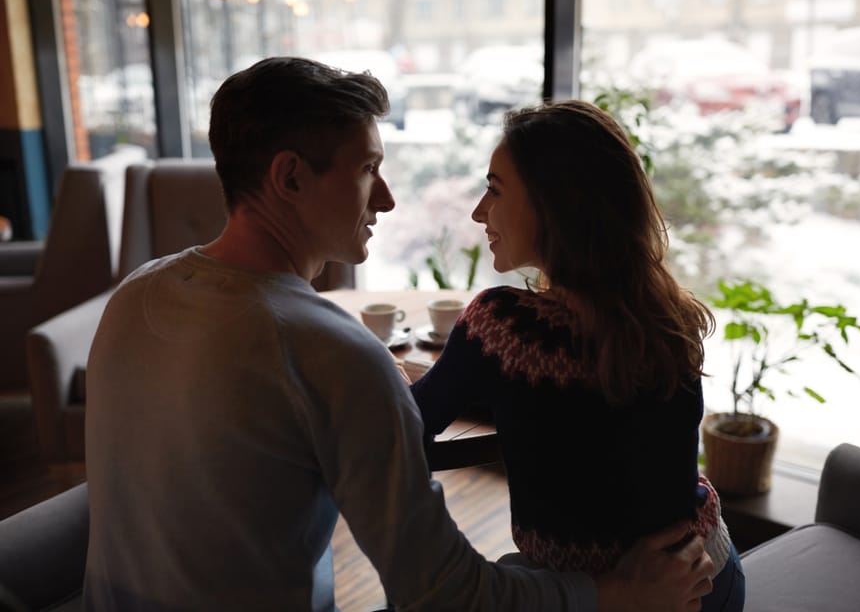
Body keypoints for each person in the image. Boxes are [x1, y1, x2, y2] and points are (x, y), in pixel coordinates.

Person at [83, 57, 714, 611]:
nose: (385, 199)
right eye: (368, 169)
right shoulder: (331, 351)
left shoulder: (136, 293)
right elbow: (446, 597)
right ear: (290, 178)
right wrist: (618, 597)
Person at [411, 100, 745, 610]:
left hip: (606, 597)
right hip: (710, 574)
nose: (479, 211)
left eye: (495, 189)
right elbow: (586, 418)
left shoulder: (502, 327)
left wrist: (397, 380)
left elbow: (409, 425)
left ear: (553, 206)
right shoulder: (667, 318)